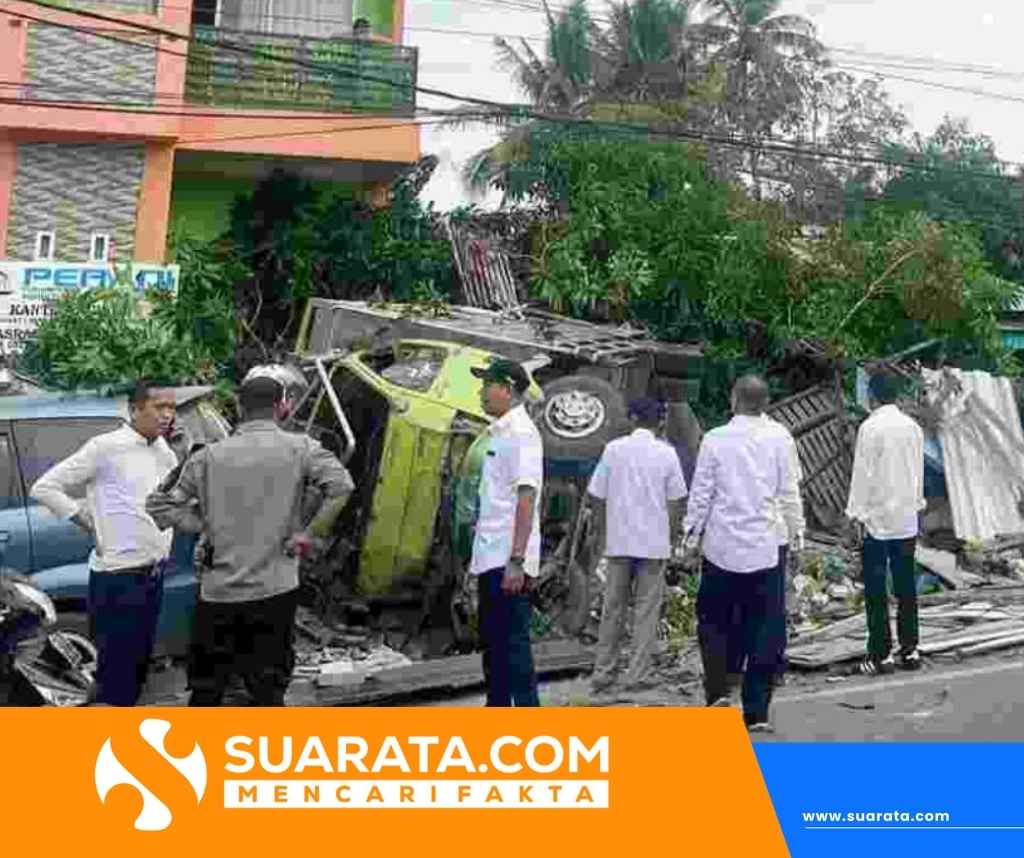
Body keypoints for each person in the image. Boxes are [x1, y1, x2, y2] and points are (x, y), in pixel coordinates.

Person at [147, 374, 354, 706]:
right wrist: (307, 535)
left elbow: (159, 507)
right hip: (276, 590)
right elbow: (342, 487)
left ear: (241, 408)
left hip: (219, 594)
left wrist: (203, 526)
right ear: (282, 407)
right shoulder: (302, 448)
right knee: (268, 691)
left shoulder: (207, 457)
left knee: (207, 690)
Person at [30, 380, 179, 706]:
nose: (168, 415)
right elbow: (45, 487)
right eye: (160, 407)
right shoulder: (106, 447)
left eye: (172, 407)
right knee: (115, 677)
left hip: (152, 575)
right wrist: (87, 522)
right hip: (118, 579)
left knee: (139, 669)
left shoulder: (162, 449)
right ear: (135, 408)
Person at [681, 375, 802, 732]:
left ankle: (718, 692)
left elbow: (702, 493)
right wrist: (797, 536)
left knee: (714, 621)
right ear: (764, 403)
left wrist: (690, 538)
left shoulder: (715, 440)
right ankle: (757, 712)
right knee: (765, 627)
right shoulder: (780, 437)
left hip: (721, 547)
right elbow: (789, 492)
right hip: (766, 546)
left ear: (734, 400)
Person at [587, 397, 688, 695]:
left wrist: (602, 532)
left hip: (619, 542)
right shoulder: (667, 454)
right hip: (653, 545)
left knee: (612, 608)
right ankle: (636, 675)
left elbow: (597, 495)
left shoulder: (613, 450)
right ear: (660, 423)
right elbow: (676, 501)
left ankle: (603, 674)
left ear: (631, 419)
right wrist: (669, 538)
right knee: (646, 611)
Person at [469, 357, 543, 707]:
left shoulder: (522, 434)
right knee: (494, 643)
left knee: (513, 645)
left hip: (507, 557)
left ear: (507, 389)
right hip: (492, 555)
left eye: (487, 385)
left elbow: (526, 498)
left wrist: (517, 560)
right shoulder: (500, 431)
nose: (481, 392)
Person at [846, 370, 925, 676]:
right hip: (906, 519)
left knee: (877, 589)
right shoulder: (913, 428)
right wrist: (916, 506)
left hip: (877, 521)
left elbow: (862, 475)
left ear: (872, 396)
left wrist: (855, 514)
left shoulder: (870, 428)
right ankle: (911, 650)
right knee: (906, 586)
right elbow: (917, 474)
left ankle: (881, 654)